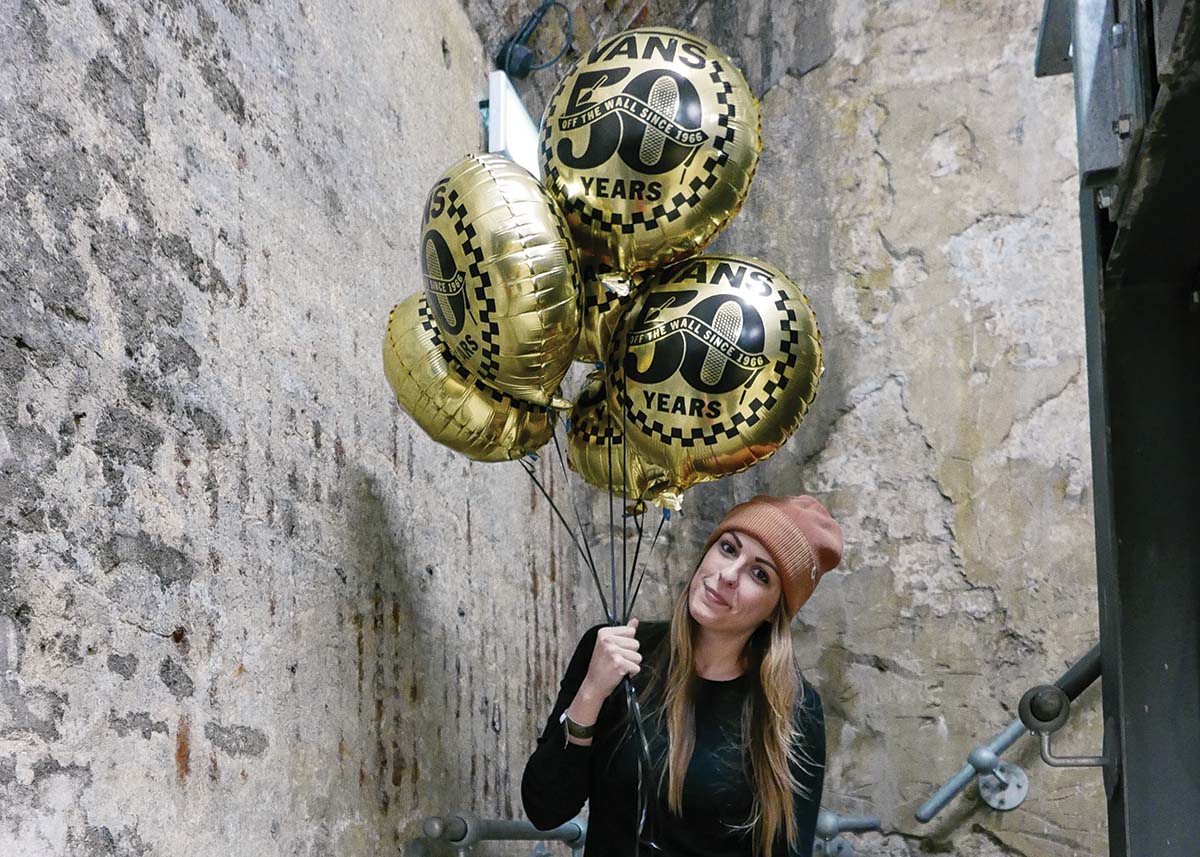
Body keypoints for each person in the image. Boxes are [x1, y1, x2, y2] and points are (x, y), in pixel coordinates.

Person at [522, 495, 845, 857]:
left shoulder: (792, 708)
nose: (727, 576)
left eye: (759, 574)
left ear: (775, 611)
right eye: (728, 548)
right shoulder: (617, 652)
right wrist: (592, 692)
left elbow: (788, 850)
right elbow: (545, 809)